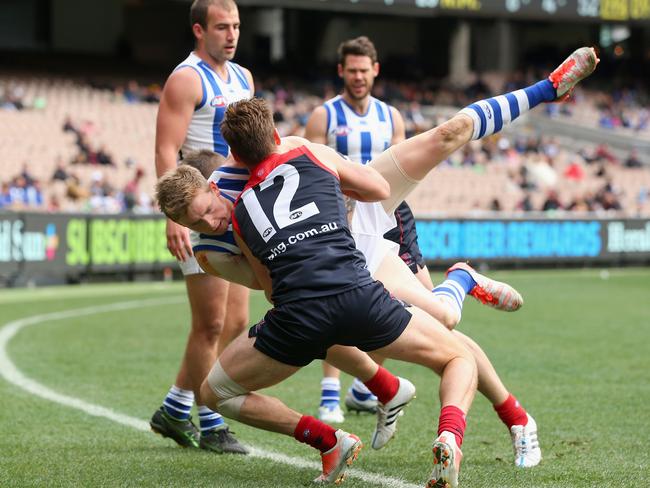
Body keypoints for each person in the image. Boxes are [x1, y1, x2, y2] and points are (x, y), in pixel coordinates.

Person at [159, 98, 479, 488]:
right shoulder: (307, 153)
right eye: (199, 222)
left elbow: (266, 285)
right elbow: (377, 189)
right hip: (351, 296)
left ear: (217, 179)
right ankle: (445, 433)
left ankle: (340, 431)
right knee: (458, 354)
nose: (212, 220)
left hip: (299, 317)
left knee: (215, 393)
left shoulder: (238, 216)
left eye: (208, 209)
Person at [301, 36, 536, 469]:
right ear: (342, 72)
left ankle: (514, 416)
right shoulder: (324, 115)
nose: (357, 76)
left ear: (375, 71)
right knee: (349, 314)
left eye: (364, 69)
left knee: (438, 328)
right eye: (350, 70)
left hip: (385, 221)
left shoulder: (390, 116)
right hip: (339, 226)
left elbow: (403, 171)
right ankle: (345, 392)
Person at [150, 0, 253, 454]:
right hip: (201, 214)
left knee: (236, 320)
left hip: (239, 211)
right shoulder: (187, 78)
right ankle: (210, 420)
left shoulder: (245, 77)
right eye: (221, 27)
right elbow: (165, 150)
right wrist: (173, 219)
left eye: (235, 26)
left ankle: (175, 409)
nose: (230, 34)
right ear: (198, 30)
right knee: (210, 322)